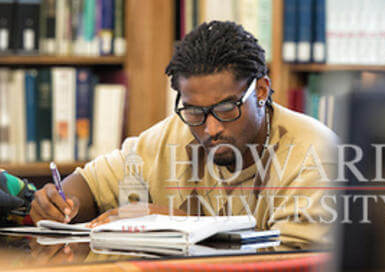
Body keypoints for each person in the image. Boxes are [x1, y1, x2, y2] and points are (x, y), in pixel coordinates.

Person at [31, 21, 338, 247]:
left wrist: (174, 223)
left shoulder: (314, 151)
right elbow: (90, 184)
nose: (211, 128)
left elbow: (289, 266)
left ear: (260, 91)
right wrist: (61, 204)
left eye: (227, 108)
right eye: (195, 112)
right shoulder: (172, 135)